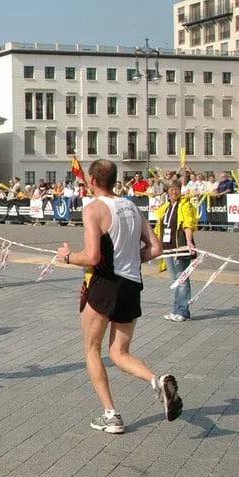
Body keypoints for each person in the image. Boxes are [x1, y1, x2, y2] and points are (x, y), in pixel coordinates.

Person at [56, 159, 182, 434]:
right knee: (119, 352)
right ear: (114, 179)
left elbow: (91, 256)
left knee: (92, 349)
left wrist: (67, 257)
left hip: (104, 283)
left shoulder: (94, 209)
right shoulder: (132, 207)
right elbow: (156, 248)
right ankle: (157, 380)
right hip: (131, 285)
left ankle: (111, 415)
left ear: (91, 180)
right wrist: (133, 258)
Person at [154, 182, 198, 322]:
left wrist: (189, 241)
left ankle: (183, 311)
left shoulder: (185, 205)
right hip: (168, 248)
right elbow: (158, 227)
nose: (174, 191)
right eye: (171, 189)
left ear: (180, 191)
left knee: (182, 279)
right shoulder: (166, 207)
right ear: (167, 191)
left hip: (181, 247)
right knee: (175, 281)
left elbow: (188, 223)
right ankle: (176, 309)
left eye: (177, 189)